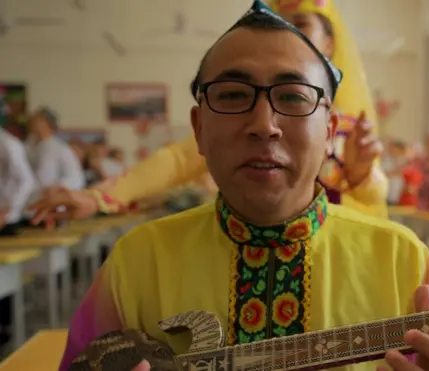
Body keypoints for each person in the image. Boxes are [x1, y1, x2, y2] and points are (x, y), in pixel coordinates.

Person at [59, 3, 429, 371]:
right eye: (234, 95)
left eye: (293, 98)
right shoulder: (137, 264)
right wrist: (97, 197)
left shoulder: (400, 260)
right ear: (199, 128)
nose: (263, 125)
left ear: (330, 133)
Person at [30, 0, 387, 223]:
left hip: (340, 255)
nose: (266, 125)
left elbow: (372, 195)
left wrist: (362, 174)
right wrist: (101, 197)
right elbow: (179, 159)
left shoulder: (351, 125)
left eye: (302, 26)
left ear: (329, 42)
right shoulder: (237, 106)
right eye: (283, 21)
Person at [0, 125, 35, 347]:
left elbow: (26, 181)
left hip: (5, 220)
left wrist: (9, 211)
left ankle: (5, 328)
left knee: (4, 280)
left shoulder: (7, 143)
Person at [24, 108, 85, 192]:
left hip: (59, 194)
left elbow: (44, 179)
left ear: (46, 123)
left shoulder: (53, 147)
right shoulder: (31, 143)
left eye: (36, 120)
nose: (31, 122)